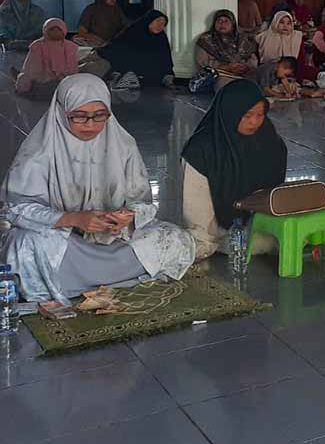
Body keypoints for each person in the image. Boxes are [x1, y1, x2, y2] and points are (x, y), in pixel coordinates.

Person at [1, 75, 195, 302]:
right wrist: (73, 218)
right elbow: (15, 210)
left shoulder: (123, 145)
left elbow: (143, 202)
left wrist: (128, 216)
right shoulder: (39, 152)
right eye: (79, 117)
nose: (91, 125)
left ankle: (86, 280)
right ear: (61, 113)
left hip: (111, 237)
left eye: (100, 115)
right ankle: (106, 278)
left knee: (175, 238)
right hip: (64, 242)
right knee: (25, 245)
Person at [180, 80, 289, 260]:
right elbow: (197, 215)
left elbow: (273, 192)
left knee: (323, 220)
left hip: (259, 220)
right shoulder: (201, 150)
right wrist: (204, 241)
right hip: (221, 230)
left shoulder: (268, 138)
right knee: (251, 243)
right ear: (230, 113)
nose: (254, 122)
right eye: (247, 116)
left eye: (260, 115)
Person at [96, 10, 174, 87]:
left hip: (148, 73)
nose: (160, 26)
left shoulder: (161, 37)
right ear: (149, 20)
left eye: (163, 24)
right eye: (158, 21)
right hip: (129, 65)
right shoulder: (135, 30)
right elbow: (119, 48)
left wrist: (168, 73)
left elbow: (166, 56)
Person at [195, 9, 259, 90]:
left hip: (244, 73)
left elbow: (253, 58)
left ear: (233, 24)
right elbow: (202, 64)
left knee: (255, 83)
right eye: (219, 21)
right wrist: (226, 67)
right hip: (221, 74)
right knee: (226, 86)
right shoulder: (206, 40)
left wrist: (245, 67)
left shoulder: (243, 39)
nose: (222, 24)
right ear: (214, 23)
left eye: (226, 21)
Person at [13, 18, 79, 95]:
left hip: (64, 78)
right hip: (42, 78)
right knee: (28, 83)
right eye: (52, 30)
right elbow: (31, 66)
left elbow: (72, 66)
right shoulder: (38, 45)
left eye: (59, 30)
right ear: (45, 31)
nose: (55, 32)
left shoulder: (70, 47)